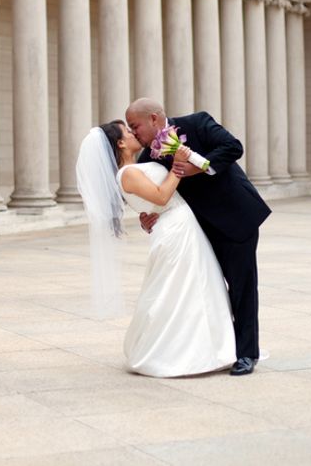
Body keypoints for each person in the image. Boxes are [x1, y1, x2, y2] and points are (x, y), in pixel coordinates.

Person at [76, 121, 236, 377]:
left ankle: (207, 346)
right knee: (179, 291)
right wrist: (178, 164)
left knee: (193, 287)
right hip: (174, 231)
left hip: (180, 225)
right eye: (127, 132)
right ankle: (177, 352)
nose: (132, 132)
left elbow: (153, 202)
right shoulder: (127, 173)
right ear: (120, 143)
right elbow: (161, 196)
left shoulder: (135, 167)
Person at [126, 98, 270, 376]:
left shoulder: (197, 123)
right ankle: (224, 347)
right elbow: (161, 195)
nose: (134, 134)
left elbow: (233, 147)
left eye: (136, 127)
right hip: (198, 231)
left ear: (154, 119)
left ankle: (247, 354)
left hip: (235, 217)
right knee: (214, 289)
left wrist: (199, 166)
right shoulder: (147, 158)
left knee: (242, 287)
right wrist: (148, 215)